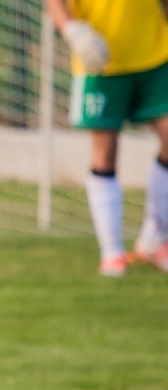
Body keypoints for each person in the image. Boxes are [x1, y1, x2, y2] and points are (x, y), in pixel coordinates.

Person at [47, 0, 168, 274]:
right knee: (105, 151)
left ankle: (153, 237)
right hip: (101, 58)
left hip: (155, 52)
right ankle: (112, 250)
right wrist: (72, 31)